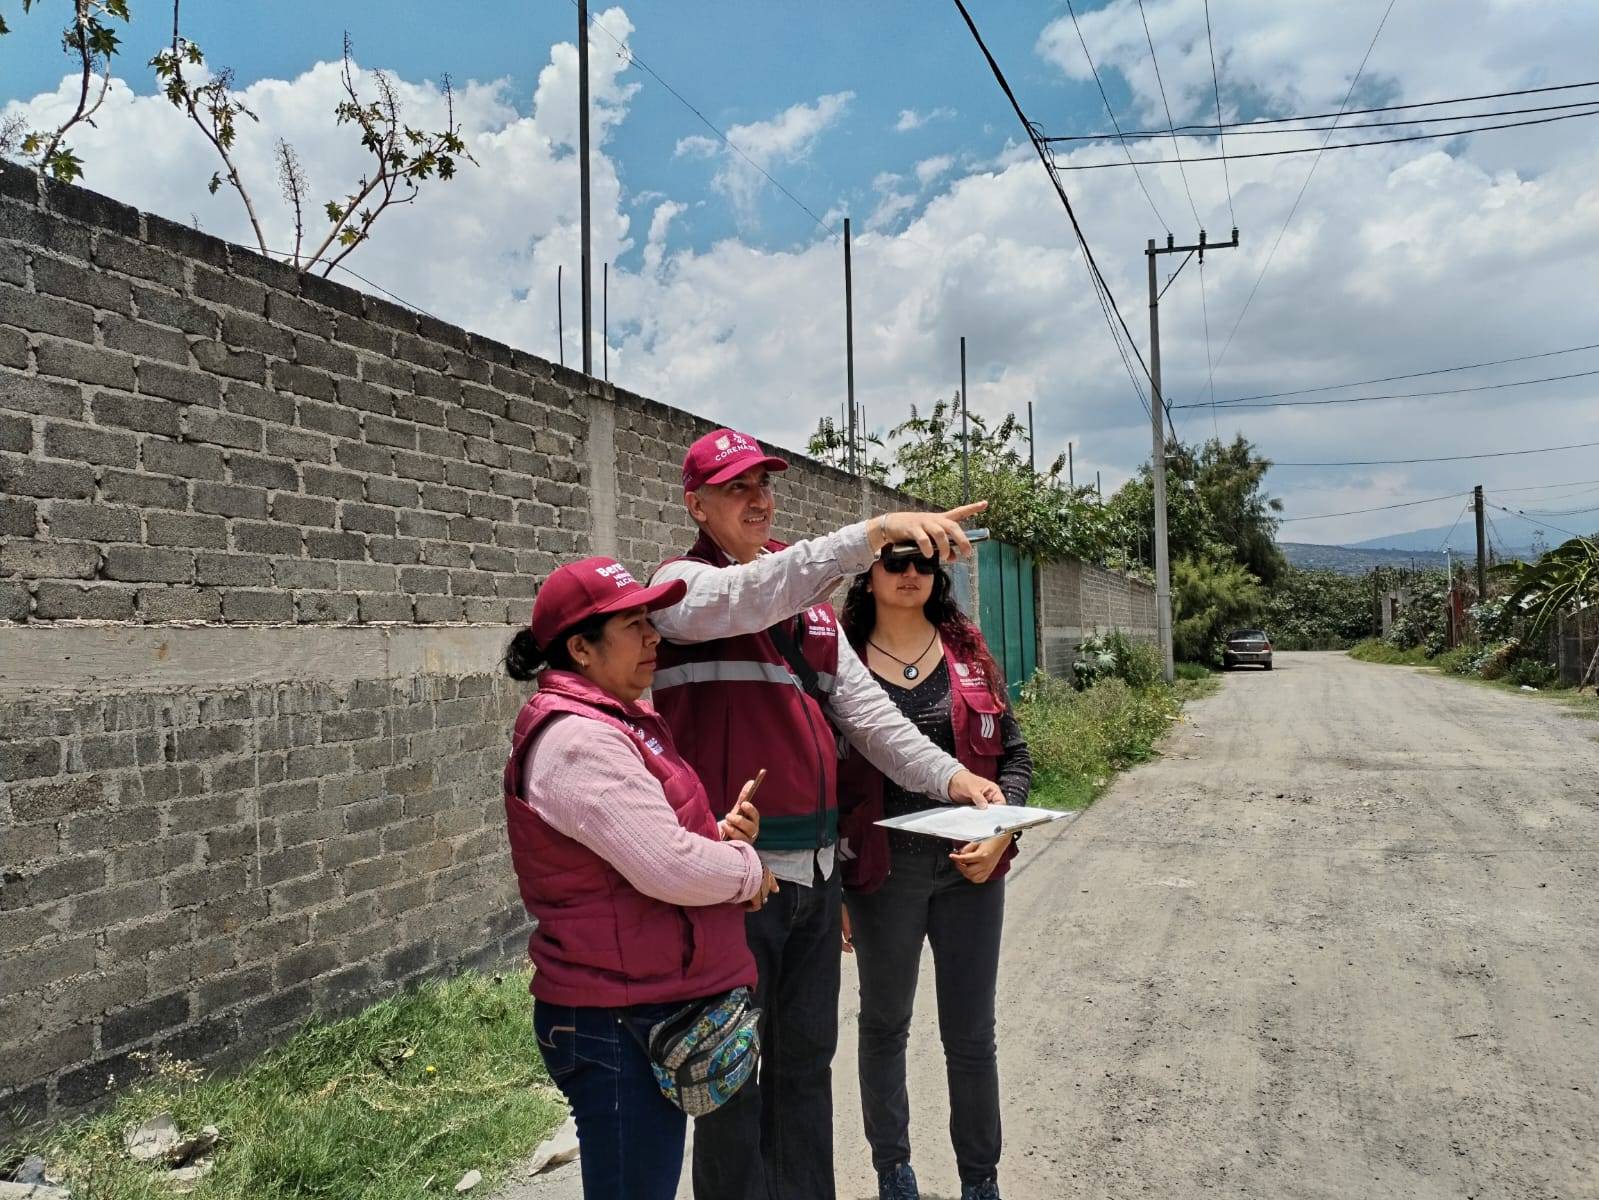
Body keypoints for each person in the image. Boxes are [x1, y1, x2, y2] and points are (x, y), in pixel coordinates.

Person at [647, 427, 1006, 1200]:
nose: (757, 498)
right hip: (734, 882)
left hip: (813, 879)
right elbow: (754, 592)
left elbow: (871, 720)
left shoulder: (808, 614)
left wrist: (954, 780)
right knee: (731, 1076)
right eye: (736, 487)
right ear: (695, 504)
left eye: (763, 485)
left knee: (807, 1068)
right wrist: (866, 535)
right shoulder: (681, 588)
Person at [501, 555, 779, 1200]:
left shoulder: (621, 717)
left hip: (642, 997)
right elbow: (667, 866)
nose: (655, 636)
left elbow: (658, 842)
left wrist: (717, 833)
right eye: (634, 625)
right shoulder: (577, 740)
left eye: (650, 620)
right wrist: (746, 870)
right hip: (613, 1016)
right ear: (581, 648)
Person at [835, 548, 1032, 1200]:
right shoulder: (840, 659)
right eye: (892, 561)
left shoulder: (965, 650)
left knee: (971, 1036)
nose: (909, 571)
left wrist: (1001, 831)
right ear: (868, 574)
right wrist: (834, 881)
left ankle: (981, 1181)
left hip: (970, 870)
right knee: (884, 1025)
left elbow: (1014, 757)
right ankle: (893, 1172)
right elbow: (825, 778)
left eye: (921, 561)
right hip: (882, 873)